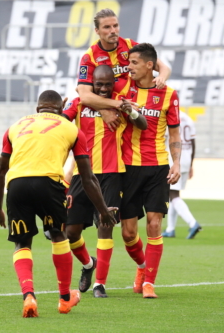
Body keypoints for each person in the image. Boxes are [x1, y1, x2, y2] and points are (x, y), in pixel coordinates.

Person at [0, 90, 117, 318]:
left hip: (17, 185)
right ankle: (64, 300)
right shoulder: (71, 129)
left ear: (38, 108)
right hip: (49, 184)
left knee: (22, 243)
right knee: (58, 236)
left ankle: (28, 295)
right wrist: (102, 210)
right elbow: (87, 178)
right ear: (61, 110)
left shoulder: (16, 126)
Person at [63, 65, 147, 298]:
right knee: (71, 231)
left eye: (107, 84)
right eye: (98, 84)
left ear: (113, 84)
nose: (102, 88)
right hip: (83, 174)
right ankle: (89, 264)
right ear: (91, 83)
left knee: (106, 224)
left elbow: (142, 124)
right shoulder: (78, 101)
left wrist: (129, 111)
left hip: (112, 173)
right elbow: (62, 121)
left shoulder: (120, 102)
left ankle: (100, 284)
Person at [114, 43, 182, 299]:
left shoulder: (169, 94)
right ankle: (142, 267)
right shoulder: (121, 88)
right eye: (128, 63)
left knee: (154, 224)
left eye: (133, 63)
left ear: (149, 65)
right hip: (127, 168)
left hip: (157, 168)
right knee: (128, 232)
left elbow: (174, 133)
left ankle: (149, 283)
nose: (128, 67)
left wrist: (177, 163)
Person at [76, 8, 171, 132]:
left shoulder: (129, 45)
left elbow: (164, 67)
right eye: (107, 27)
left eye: (115, 26)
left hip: (135, 107)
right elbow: (84, 95)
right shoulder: (89, 57)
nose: (113, 31)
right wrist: (106, 109)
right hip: (113, 113)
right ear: (97, 31)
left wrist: (162, 77)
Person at [162, 111, 202, 239]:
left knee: (172, 194)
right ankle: (170, 229)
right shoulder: (188, 118)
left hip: (173, 160)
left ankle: (193, 223)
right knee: (174, 193)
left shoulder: (168, 116)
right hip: (186, 159)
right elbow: (193, 142)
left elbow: (164, 138)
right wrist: (191, 164)